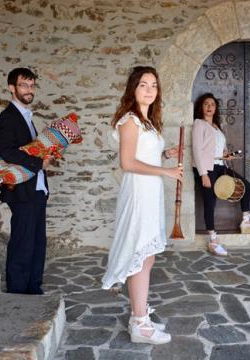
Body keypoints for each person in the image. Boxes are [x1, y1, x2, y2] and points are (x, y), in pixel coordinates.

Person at [101, 66, 183, 345]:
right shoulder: (129, 121)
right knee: (139, 254)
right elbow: (128, 163)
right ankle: (139, 323)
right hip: (138, 193)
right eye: (143, 85)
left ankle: (140, 317)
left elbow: (143, 153)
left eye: (154, 85)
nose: (149, 90)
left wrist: (164, 154)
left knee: (148, 256)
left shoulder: (147, 121)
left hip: (150, 192)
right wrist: (166, 171)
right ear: (133, 89)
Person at [0, 67, 51, 294]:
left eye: (32, 85)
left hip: (36, 189)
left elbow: (28, 150)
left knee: (37, 242)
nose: (29, 90)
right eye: (23, 85)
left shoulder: (25, 115)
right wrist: (40, 164)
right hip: (21, 191)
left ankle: (33, 288)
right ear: (12, 88)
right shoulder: (7, 117)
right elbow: (6, 151)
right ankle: (17, 292)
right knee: (22, 244)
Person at [192, 93, 250, 257]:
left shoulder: (216, 126)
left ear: (215, 108)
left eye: (213, 104)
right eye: (206, 104)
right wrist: (203, 174)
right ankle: (213, 241)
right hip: (206, 168)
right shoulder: (198, 124)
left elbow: (218, 149)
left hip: (220, 165)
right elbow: (197, 150)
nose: (209, 107)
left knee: (245, 186)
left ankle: (245, 222)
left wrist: (226, 155)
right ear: (201, 107)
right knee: (210, 203)